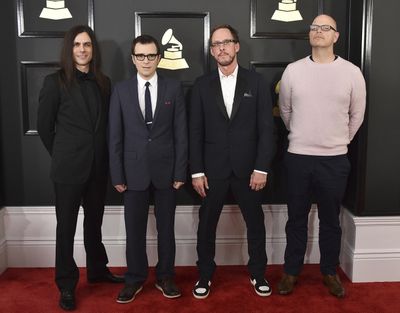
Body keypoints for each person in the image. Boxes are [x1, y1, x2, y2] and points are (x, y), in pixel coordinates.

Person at [277, 14, 366, 298]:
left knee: (330, 219)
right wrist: (304, 137)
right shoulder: (293, 70)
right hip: (298, 158)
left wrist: (338, 142)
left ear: (336, 36)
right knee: (296, 219)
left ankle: (329, 271)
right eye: (314, 27)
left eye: (325, 27)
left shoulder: (352, 73)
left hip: (335, 159)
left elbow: (357, 116)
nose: (318, 31)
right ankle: (291, 271)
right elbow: (286, 111)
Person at [37, 25, 124, 311]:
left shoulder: (104, 82)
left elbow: (108, 126)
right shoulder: (54, 82)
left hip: (98, 168)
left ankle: (97, 270)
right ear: (69, 49)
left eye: (87, 44)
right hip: (68, 169)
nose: (83, 49)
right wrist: (63, 154)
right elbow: (44, 128)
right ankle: (66, 284)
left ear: (93, 49)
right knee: (66, 229)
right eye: (77, 45)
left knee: (93, 224)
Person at [189, 24, 274, 299]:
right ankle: (204, 275)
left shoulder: (257, 82)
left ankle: (258, 273)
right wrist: (197, 171)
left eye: (226, 42)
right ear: (212, 51)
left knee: (256, 223)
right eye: (216, 44)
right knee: (206, 225)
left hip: (249, 169)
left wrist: (262, 167)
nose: (221, 48)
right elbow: (195, 132)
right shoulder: (202, 85)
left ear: (237, 46)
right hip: (211, 170)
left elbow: (266, 130)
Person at [108, 34, 188, 304]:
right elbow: (115, 136)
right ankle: (134, 278)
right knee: (135, 230)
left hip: (167, 171)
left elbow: (181, 133)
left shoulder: (173, 89)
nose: (146, 60)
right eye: (140, 55)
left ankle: (166, 277)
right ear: (133, 59)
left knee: (166, 229)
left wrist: (180, 172)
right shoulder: (120, 90)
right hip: (132, 172)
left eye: (151, 55)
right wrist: (117, 174)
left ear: (159, 57)